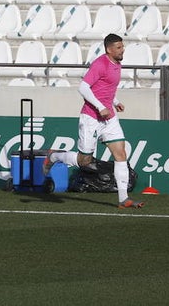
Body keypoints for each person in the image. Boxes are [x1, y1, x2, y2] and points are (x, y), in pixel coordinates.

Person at [43, 33, 144, 209]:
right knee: (84, 161)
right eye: (119, 47)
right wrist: (100, 107)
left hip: (109, 118)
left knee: (121, 154)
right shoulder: (100, 64)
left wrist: (114, 102)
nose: (123, 50)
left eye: (123, 46)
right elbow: (83, 87)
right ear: (109, 49)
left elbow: (105, 88)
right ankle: (53, 156)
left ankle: (123, 199)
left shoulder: (117, 64)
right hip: (91, 117)